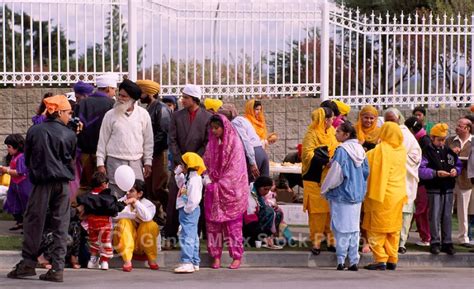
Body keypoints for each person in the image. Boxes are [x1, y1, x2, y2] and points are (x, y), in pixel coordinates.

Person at [7, 95, 76, 282]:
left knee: (33, 222)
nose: (70, 116)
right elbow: (70, 160)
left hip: (41, 183)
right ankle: (57, 268)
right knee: (61, 225)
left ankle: (28, 263)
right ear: (59, 111)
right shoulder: (70, 134)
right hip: (62, 185)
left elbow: (28, 159)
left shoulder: (35, 131)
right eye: (69, 112)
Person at [165, 84, 211, 249]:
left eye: (185, 97)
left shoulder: (207, 117)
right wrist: (181, 161)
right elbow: (172, 140)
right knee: (173, 200)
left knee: (195, 200)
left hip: (197, 167)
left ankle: (194, 238)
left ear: (194, 99)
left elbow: (207, 142)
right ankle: (170, 236)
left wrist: (193, 161)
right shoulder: (176, 116)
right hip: (179, 166)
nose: (182, 100)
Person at [203, 114, 248, 270]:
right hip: (213, 190)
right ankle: (215, 256)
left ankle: (236, 256)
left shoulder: (235, 144)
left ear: (224, 127)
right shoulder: (211, 145)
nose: (214, 131)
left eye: (217, 128)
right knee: (213, 226)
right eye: (212, 128)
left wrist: (219, 184)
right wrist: (207, 178)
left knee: (233, 227)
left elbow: (236, 170)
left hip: (231, 192)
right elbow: (206, 164)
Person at [321, 123, 369, 271]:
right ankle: (354, 260)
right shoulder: (360, 150)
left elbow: (336, 172)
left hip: (342, 194)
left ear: (346, 134)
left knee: (340, 228)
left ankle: (341, 260)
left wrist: (325, 188)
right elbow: (366, 172)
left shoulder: (342, 150)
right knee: (354, 228)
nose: (336, 133)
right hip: (357, 195)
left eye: (338, 131)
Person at [96, 79, 153, 197]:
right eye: (119, 95)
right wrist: (100, 163)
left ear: (132, 99)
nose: (120, 98)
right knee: (115, 197)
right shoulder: (110, 115)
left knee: (136, 197)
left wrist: (148, 161)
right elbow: (102, 140)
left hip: (136, 161)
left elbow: (148, 141)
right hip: (114, 162)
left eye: (124, 96)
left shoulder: (143, 114)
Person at [363, 122, 407, 271]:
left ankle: (380, 259)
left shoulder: (380, 151)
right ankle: (392, 259)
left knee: (377, 229)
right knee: (393, 229)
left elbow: (366, 161)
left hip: (381, 195)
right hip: (398, 195)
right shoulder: (401, 150)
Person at [419, 123, 462, 255]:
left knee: (447, 216)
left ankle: (447, 242)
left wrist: (456, 170)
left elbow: (458, 164)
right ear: (432, 138)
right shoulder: (426, 152)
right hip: (434, 188)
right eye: (439, 140)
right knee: (434, 215)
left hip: (448, 188)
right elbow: (421, 170)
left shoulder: (449, 152)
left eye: (443, 140)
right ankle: (435, 242)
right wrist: (435, 173)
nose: (442, 142)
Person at [384, 108, 422, 254]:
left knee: (405, 212)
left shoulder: (406, 135)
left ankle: (401, 242)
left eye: (392, 120)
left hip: (405, 178)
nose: (390, 123)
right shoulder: (385, 133)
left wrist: (397, 159)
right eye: (387, 120)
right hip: (389, 180)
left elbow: (415, 157)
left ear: (399, 119)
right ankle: (389, 241)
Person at [302, 107, 338, 255]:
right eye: (329, 119)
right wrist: (324, 161)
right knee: (317, 213)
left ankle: (331, 241)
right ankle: (316, 242)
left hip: (330, 177)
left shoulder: (331, 132)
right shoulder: (311, 134)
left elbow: (336, 146)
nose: (331, 122)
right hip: (314, 178)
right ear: (323, 120)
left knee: (330, 211)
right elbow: (307, 154)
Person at [74, 74, 116, 197]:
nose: (114, 93)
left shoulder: (82, 103)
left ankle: (78, 211)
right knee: (103, 184)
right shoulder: (112, 104)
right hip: (104, 155)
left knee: (85, 184)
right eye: (114, 89)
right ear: (108, 88)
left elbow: (75, 127)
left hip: (85, 153)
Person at [137, 79, 172, 219]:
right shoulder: (149, 108)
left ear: (149, 92)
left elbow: (163, 133)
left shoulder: (161, 108)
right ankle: (157, 217)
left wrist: (149, 151)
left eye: (142, 92)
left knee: (159, 187)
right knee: (150, 188)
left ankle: (170, 215)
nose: (140, 95)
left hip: (159, 153)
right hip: (150, 154)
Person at [113, 179, 159, 272]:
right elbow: (114, 215)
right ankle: (127, 261)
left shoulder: (149, 205)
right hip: (123, 245)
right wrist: (131, 214)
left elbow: (147, 217)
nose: (128, 193)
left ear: (140, 194)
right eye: (127, 190)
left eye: (131, 191)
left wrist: (135, 202)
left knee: (150, 225)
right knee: (123, 221)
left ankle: (151, 258)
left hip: (141, 246)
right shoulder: (121, 201)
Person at [219, 103, 270, 182]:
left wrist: (252, 162)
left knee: (247, 184)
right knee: (262, 185)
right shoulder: (242, 119)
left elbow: (245, 141)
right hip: (261, 152)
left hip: (253, 153)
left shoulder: (234, 123)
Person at [173, 152, 206, 273]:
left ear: (188, 165)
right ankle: (194, 261)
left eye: (182, 164)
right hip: (187, 210)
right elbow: (179, 183)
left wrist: (187, 209)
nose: (181, 166)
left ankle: (187, 262)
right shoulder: (188, 178)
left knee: (187, 236)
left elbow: (194, 199)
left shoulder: (194, 179)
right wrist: (178, 173)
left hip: (189, 210)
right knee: (192, 236)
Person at [404, 116, 432, 246]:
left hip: (422, 182)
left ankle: (425, 237)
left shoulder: (422, 141)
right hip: (421, 180)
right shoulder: (421, 139)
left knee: (419, 211)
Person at [446, 118, 473, 247]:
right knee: (447, 210)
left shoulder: (473, 141)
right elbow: (444, 158)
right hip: (450, 180)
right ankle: (446, 237)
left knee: (463, 211)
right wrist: (452, 153)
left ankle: (463, 237)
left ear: (467, 128)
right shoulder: (450, 140)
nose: (457, 127)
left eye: (460, 125)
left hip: (466, 181)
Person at [0, 134, 32, 231]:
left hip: (23, 185)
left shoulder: (21, 157)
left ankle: (27, 225)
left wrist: (6, 170)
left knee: (25, 204)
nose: (8, 149)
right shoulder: (14, 156)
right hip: (15, 185)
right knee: (13, 203)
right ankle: (20, 221)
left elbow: (19, 172)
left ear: (17, 146)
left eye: (9, 147)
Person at [243, 176, 284, 249]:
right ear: (259, 187)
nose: (267, 192)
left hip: (257, 225)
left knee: (278, 213)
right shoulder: (250, 196)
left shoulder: (259, 195)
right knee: (269, 211)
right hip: (248, 228)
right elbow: (250, 221)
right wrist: (260, 236)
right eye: (265, 189)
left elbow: (264, 205)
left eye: (268, 190)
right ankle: (257, 239)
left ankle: (267, 238)